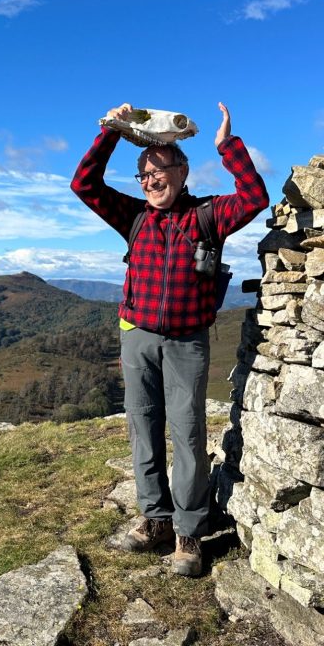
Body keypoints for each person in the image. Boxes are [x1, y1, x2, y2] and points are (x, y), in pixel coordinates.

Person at [71, 101, 269, 576]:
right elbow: (84, 184)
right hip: (137, 337)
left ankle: (189, 530)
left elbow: (254, 197)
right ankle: (155, 518)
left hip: (186, 343)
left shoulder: (207, 216)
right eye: (144, 174)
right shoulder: (134, 216)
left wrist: (228, 147)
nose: (151, 181)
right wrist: (114, 131)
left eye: (160, 171)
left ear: (182, 171)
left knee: (188, 432)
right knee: (142, 427)